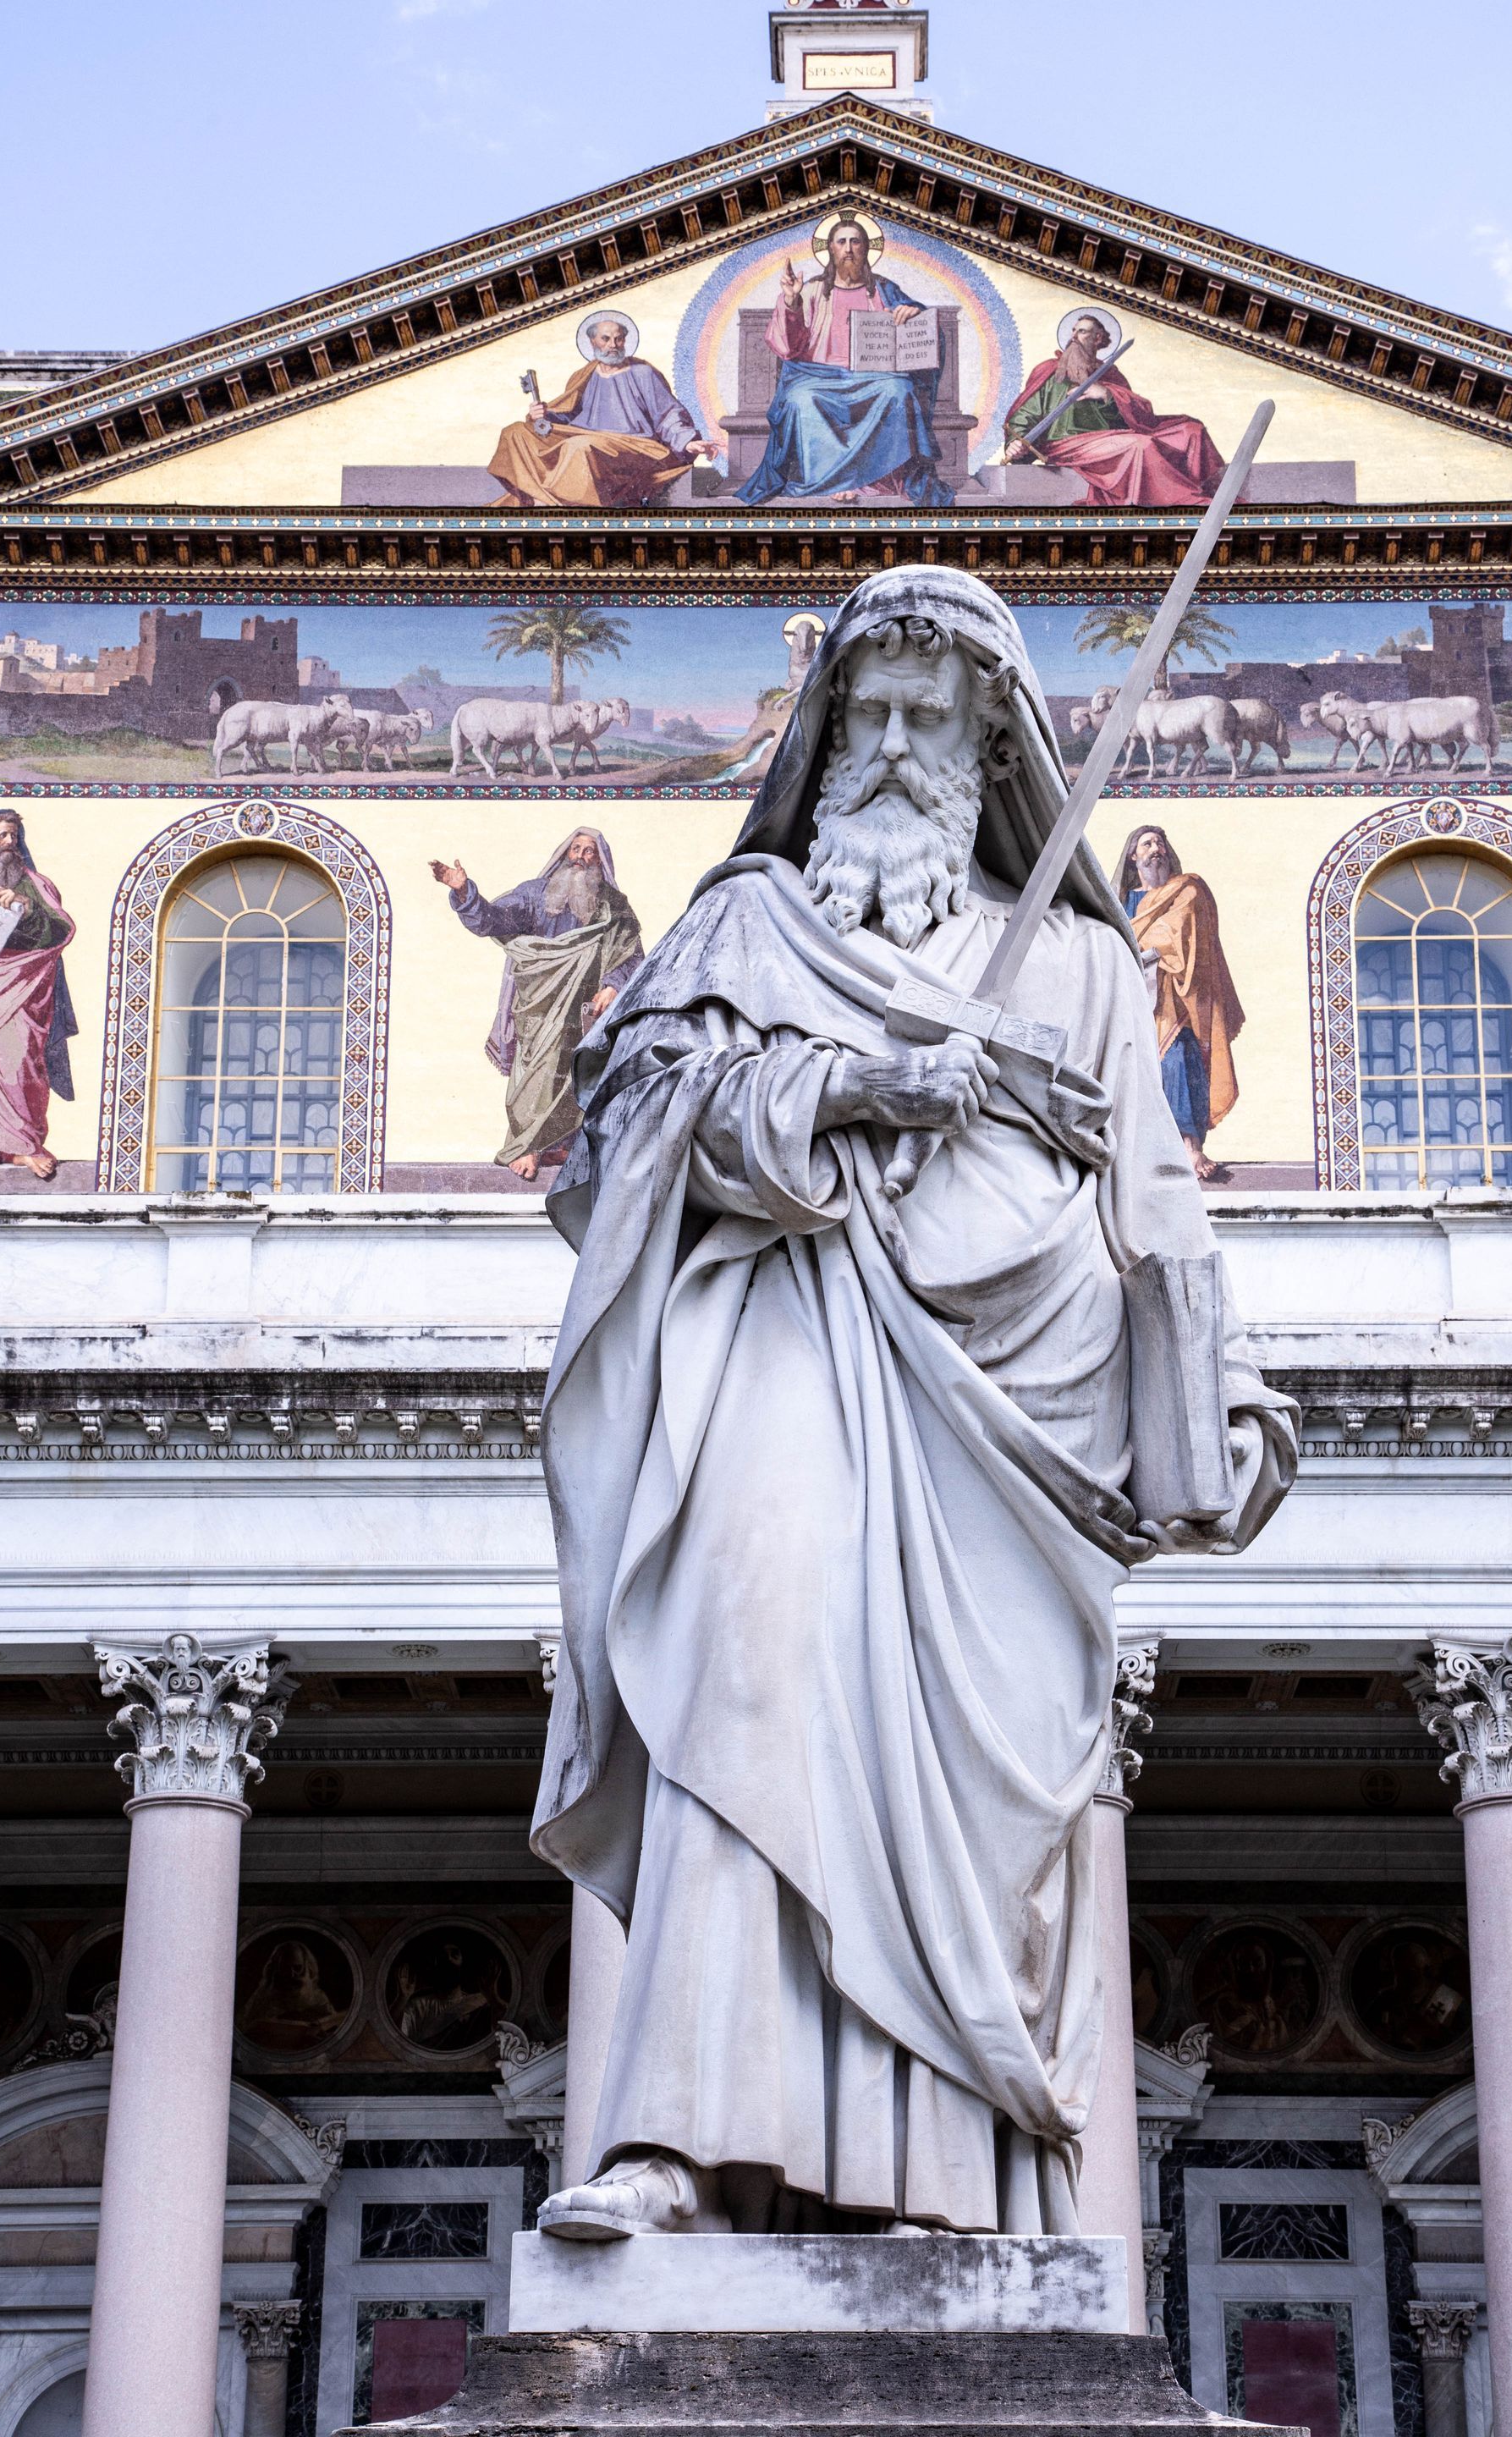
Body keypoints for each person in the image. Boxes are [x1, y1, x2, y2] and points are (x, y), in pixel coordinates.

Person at [528, 569, 1296, 2242]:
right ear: (820, 740)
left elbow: (1153, 1211)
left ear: (988, 750)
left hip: (1011, 1430)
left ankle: (949, 2188)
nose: (887, 748)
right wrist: (881, 1079)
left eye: (925, 721)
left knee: (974, 1795)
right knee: (742, 1674)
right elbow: (624, 1136)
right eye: (862, 716)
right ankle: (676, 2144)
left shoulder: (1087, 968)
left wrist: (1219, 1402)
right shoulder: (746, 931)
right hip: (786, 1342)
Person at [432, 829, 643, 1183]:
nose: (581, 856)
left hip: (586, 1009)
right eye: (575, 849)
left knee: (577, 1074)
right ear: (563, 855)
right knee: (536, 1072)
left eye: (590, 852)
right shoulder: (535, 894)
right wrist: (464, 892)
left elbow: (631, 951)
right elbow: (493, 920)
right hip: (537, 1005)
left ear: (600, 860)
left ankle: (561, 1147)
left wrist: (614, 985)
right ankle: (527, 1146)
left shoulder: (613, 905)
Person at [741, 218, 954, 507]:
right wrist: (791, 303)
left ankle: (873, 481)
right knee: (800, 399)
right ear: (830, 248)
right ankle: (828, 481)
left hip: (872, 377)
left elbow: (924, 322)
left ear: (866, 248)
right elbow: (788, 348)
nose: (849, 249)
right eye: (842, 242)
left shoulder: (884, 290)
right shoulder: (811, 290)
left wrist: (911, 311)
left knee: (899, 390)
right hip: (818, 376)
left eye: (856, 242)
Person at [1117, 825, 1244, 1184]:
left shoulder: (1188, 890)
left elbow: (1192, 933)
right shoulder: (1122, 900)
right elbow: (1113, 937)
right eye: (1147, 843)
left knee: (1180, 1060)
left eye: (1159, 842)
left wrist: (1152, 949)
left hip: (1178, 995)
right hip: (1135, 995)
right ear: (1133, 856)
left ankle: (1191, 1147)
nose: (1155, 848)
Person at [488, 313, 718, 509]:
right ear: (593, 342)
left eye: (618, 339)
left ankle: (558, 505)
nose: (613, 345)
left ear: (625, 341)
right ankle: (539, 495)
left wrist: (688, 442)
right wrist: (543, 414)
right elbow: (566, 416)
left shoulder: (643, 373)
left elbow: (668, 415)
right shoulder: (583, 376)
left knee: (578, 447)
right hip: (585, 438)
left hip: (633, 446)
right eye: (606, 339)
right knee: (515, 432)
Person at [1003, 311, 1226, 508]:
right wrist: (1016, 443)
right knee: (1141, 445)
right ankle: (1185, 500)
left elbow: (1137, 417)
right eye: (1073, 331)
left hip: (1111, 438)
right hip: (1069, 444)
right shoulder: (1051, 371)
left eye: (1081, 332)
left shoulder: (1111, 375)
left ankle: (1206, 490)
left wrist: (1108, 396)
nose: (1073, 337)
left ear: (1098, 338)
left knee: (1191, 431)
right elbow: (1026, 414)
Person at [0, 808, 76, 1181]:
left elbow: (60, 928)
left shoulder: (36, 886)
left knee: (20, 1061)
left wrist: (23, 910)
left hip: (24, 990)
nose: (8, 843)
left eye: (13, 836)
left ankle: (23, 1145)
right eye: (1, 835)